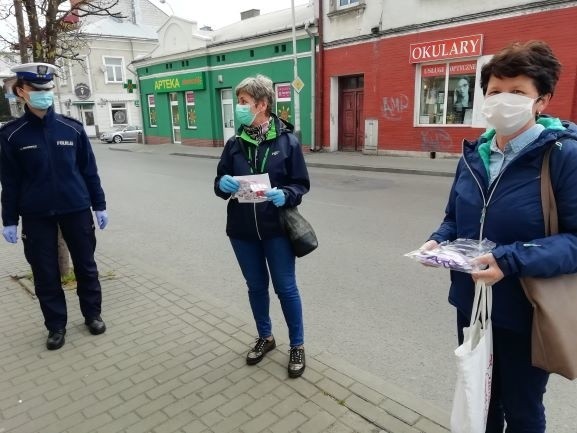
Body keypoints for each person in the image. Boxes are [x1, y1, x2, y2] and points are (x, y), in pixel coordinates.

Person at [421, 40, 577, 432]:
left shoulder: (562, 156)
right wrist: (438, 240)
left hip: (525, 309)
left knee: (522, 411)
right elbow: (454, 219)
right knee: (480, 400)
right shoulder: (474, 154)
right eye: (494, 92)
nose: (502, 100)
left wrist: (509, 260)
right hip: (471, 303)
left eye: (517, 92)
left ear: (541, 100)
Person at [0, 62, 109, 351]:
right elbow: (9, 181)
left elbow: (89, 171)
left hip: (76, 209)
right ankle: (56, 326)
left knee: (86, 267)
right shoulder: (11, 134)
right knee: (46, 273)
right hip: (36, 215)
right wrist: (8, 219)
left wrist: (99, 204)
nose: (44, 94)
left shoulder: (71, 128)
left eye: (47, 88)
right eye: (37, 89)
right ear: (21, 91)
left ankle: (92, 315)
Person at [214, 74, 310, 378]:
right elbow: (219, 183)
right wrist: (223, 183)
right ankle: (266, 337)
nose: (239, 107)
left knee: (286, 288)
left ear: (262, 104)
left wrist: (287, 194)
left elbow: (301, 184)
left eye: (243, 102)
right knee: (256, 287)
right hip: (242, 231)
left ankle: (297, 345)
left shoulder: (287, 141)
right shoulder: (234, 143)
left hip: (277, 230)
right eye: (239, 101)